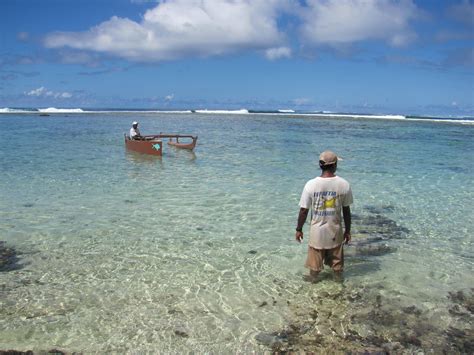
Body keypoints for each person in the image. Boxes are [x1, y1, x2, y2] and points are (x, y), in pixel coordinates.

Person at [295, 150, 353, 281]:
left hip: (317, 235)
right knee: (337, 271)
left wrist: (299, 229)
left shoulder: (310, 185)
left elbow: (304, 210)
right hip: (335, 233)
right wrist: (348, 230)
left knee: (314, 271)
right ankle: (340, 291)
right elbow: (346, 211)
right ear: (335, 165)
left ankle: (312, 292)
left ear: (320, 165)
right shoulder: (344, 184)